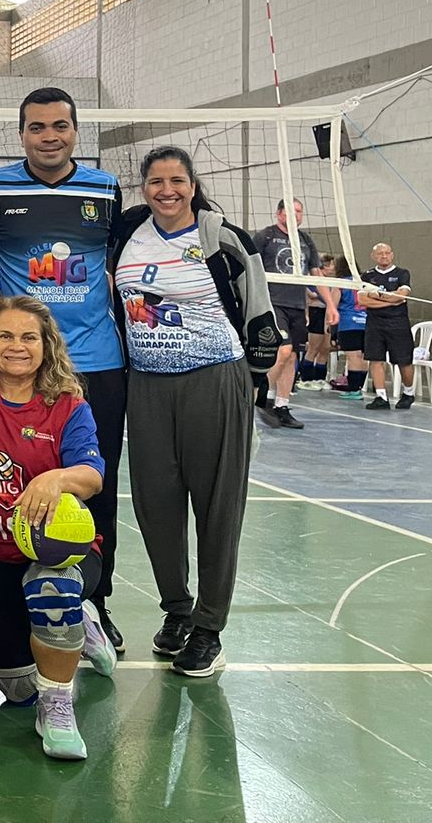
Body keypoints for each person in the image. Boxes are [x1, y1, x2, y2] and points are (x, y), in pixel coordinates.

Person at [112, 147, 279, 678]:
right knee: (155, 506)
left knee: (216, 507)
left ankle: (209, 627)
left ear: (192, 183)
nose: (167, 190)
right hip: (147, 386)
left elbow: (260, 314)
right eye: (156, 181)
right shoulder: (126, 236)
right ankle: (177, 611)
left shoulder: (223, 239)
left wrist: (253, 382)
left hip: (214, 380)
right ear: (143, 187)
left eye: (177, 180)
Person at [0, 88, 126, 651]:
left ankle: (92, 601)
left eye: (60, 125)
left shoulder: (106, 188)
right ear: (22, 134)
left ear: (76, 131)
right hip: (21, 363)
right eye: (37, 127)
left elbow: (117, 266)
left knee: (93, 486)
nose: (49, 136)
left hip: (96, 361)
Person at [0, 296, 112, 761]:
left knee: (52, 589)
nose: (16, 346)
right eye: (6, 336)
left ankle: (57, 707)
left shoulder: (67, 405)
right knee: (17, 687)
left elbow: (93, 476)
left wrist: (55, 477)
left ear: (46, 345)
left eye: (28, 337)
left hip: (62, 550)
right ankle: (82, 627)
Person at [252, 198, 335, 429]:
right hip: (271, 303)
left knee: (292, 357)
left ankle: (282, 405)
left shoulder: (305, 240)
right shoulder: (265, 236)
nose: (296, 215)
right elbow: (248, 266)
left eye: (299, 211)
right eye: (291, 211)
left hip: (297, 306)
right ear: (279, 214)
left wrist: (330, 305)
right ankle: (262, 398)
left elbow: (316, 275)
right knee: (283, 349)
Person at [360, 242, 415, 410]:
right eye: (380, 253)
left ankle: (408, 393)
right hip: (375, 324)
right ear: (373, 256)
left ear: (392, 255)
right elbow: (362, 300)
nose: (383, 256)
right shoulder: (367, 276)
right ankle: (381, 397)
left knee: (403, 360)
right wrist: (390, 300)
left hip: (398, 323)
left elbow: (402, 296)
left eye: (387, 253)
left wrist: (377, 297)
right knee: (376, 359)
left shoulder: (402, 273)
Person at [327, 256, 368, 398]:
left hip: (348, 323)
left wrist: (332, 331)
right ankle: (359, 388)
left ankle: (353, 389)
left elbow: (333, 305)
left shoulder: (340, 283)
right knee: (362, 356)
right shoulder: (364, 282)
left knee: (353, 357)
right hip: (365, 323)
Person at [297, 256, 337, 388]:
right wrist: (328, 299)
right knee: (314, 347)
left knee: (325, 348)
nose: (334, 267)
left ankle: (319, 378)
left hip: (328, 313)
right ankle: (306, 378)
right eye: (331, 265)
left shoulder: (333, 281)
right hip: (317, 312)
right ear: (324, 267)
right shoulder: (313, 279)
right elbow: (313, 295)